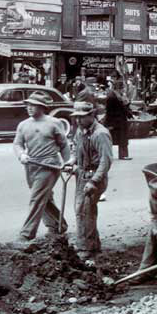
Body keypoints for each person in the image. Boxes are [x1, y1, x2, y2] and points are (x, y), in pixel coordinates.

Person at [13, 92, 72, 243]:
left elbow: (63, 145)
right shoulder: (23, 125)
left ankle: (26, 234)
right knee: (43, 198)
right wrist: (21, 155)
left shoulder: (54, 123)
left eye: (33, 105)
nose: (29, 108)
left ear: (42, 107)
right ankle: (58, 224)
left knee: (36, 198)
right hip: (31, 165)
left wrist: (68, 162)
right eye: (28, 105)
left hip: (49, 165)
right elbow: (17, 144)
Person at [66, 101, 113, 262]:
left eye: (82, 117)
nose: (78, 121)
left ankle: (85, 249)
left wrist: (94, 181)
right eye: (76, 117)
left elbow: (105, 162)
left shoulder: (100, 134)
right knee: (85, 211)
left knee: (84, 211)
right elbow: (75, 147)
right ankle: (93, 245)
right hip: (82, 174)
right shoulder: (81, 131)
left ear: (92, 115)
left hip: (94, 177)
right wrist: (72, 161)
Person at [106, 80, 131, 160]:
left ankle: (123, 155)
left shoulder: (117, 95)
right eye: (122, 88)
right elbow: (110, 110)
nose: (123, 90)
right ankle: (122, 155)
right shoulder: (113, 96)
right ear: (119, 88)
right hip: (117, 121)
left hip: (119, 120)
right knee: (117, 139)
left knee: (121, 138)